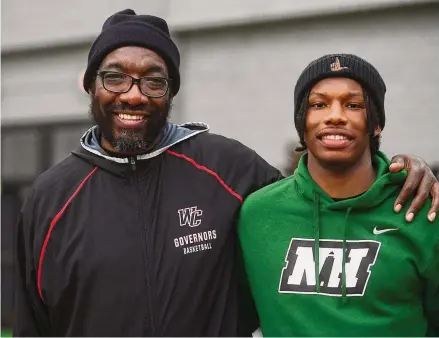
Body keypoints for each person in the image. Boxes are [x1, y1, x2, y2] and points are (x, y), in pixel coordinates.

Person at [13, 10, 439, 337]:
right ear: (92, 86)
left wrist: (399, 173)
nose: (134, 95)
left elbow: (320, 195)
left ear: (172, 92)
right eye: (115, 78)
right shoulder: (50, 198)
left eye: (154, 82)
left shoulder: (227, 167)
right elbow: (32, 324)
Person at [238, 54, 439, 337]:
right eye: (318, 104)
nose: (334, 115)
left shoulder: (422, 209)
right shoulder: (257, 214)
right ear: (302, 123)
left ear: (376, 124)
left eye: (353, 105)